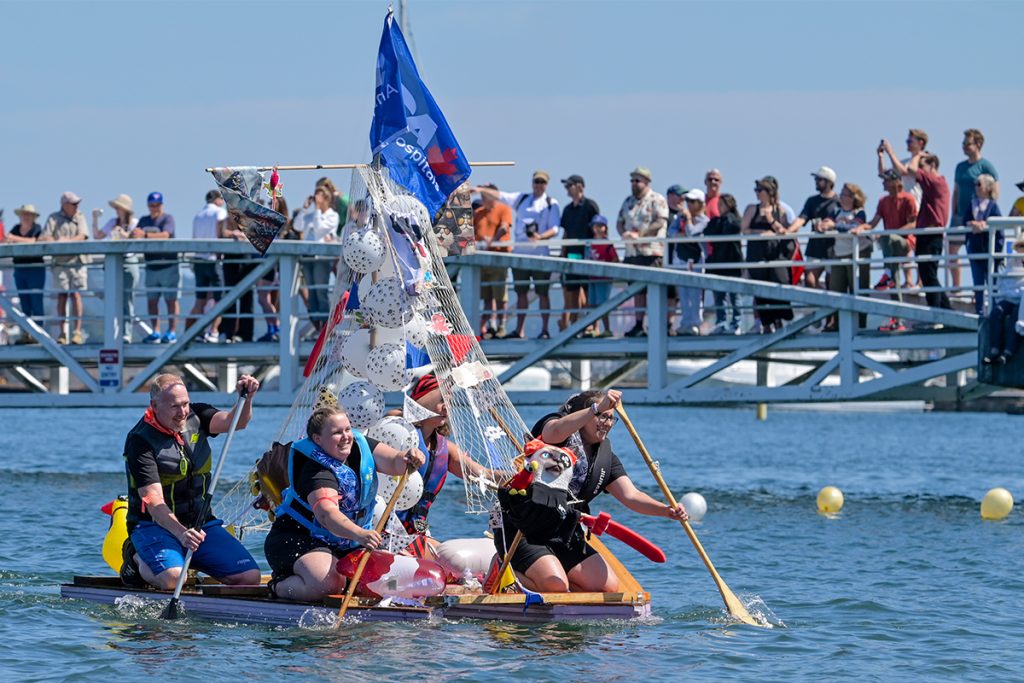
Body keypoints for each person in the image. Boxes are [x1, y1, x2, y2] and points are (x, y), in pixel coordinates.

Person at [491, 390, 686, 593]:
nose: (607, 423)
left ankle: (553, 576)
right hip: (523, 529)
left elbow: (631, 496)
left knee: (607, 587)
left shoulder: (606, 459)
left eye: (611, 418)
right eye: (602, 416)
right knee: (554, 585)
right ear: (584, 413)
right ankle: (504, 571)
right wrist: (596, 408)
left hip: (563, 532)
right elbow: (553, 432)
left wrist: (667, 510)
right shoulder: (557, 430)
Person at [263, 406, 425, 602]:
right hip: (297, 539)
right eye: (337, 433)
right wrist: (360, 534)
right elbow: (327, 515)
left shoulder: (360, 444)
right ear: (317, 440)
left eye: (347, 429)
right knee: (329, 584)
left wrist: (408, 457)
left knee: (387, 579)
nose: (346, 436)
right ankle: (278, 586)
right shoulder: (314, 470)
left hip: (347, 541)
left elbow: (394, 463)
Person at [120, 373, 263, 590]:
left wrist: (247, 397)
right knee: (173, 580)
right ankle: (135, 557)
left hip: (200, 524)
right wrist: (181, 533)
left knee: (249, 577)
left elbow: (237, 422)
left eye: (185, 404)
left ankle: (186, 557)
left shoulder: (198, 415)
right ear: (155, 406)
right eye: (174, 406)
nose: (182, 412)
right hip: (153, 526)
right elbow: (153, 500)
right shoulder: (140, 440)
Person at [395, 374, 502, 555]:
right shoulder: (399, 428)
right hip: (386, 531)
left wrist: (523, 473)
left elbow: (484, 474)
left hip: (416, 532)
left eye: (449, 401)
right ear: (422, 400)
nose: (447, 407)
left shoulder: (446, 448)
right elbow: (397, 415)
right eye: (442, 400)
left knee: (452, 563)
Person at [473, 172, 561, 339]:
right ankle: (519, 330)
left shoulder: (551, 203)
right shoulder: (522, 199)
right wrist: (478, 189)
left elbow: (555, 228)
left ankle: (544, 330)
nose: (539, 185)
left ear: (547, 184)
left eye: (542, 182)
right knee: (521, 293)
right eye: (536, 181)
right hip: (520, 254)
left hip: (540, 255)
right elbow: (500, 195)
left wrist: (541, 237)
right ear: (532, 182)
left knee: (542, 292)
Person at [862, 170, 918, 332]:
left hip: (904, 242)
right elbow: (872, 223)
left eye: (886, 181)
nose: (883, 184)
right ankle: (896, 320)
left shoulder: (908, 199)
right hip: (890, 247)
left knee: (887, 238)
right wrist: (859, 227)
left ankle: (887, 273)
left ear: (895, 182)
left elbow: (913, 225)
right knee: (895, 278)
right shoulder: (883, 201)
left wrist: (892, 233)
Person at [617, 167, 669, 337]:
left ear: (646, 182)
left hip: (651, 252)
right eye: (632, 181)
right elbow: (620, 221)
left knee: (652, 290)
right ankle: (639, 324)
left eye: (637, 181)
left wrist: (640, 235)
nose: (634, 184)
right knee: (636, 290)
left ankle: (655, 324)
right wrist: (623, 233)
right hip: (632, 253)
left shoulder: (657, 199)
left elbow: (660, 222)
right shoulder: (627, 201)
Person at [742, 176, 794, 333]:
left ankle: (779, 320)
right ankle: (766, 324)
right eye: (756, 190)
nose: (757, 193)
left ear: (769, 192)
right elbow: (744, 229)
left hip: (775, 253)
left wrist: (771, 221)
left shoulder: (781, 210)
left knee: (779, 283)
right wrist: (760, 232)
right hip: (757, 253)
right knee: (761, 289)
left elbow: (785, 231)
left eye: (760, 190)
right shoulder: (752, 209)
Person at [950, 129, 1000, 291]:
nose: (964, 147)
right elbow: (956, 191)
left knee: (980, 253)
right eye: (963, 144)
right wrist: (954, 213)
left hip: (979, 217)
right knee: (952, 249)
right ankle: (956, 287)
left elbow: (995, 191)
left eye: (967, 143)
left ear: (978, 145)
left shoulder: (985, 166)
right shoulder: (960, 167)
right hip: (961, 215)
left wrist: (986, 215)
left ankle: (981, 290)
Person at [39, 191, 90, 344]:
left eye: (77, 204)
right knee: (62, 296)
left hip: (76, 262)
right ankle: (62, 333)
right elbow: (44, 237)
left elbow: (83, 236)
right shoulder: (54, 218)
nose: (77, 206)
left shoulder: (80, 217)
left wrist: (66, 241)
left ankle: (77, 332)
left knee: (76, 295)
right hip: (60, 263)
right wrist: (57, 241)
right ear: (65, 205)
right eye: (74, 204)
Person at [92, 194, 141, 343]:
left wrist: (123, 234)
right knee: (113, 299)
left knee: (127, 299)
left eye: (118, 208)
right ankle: (114, 332)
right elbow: (98, 236)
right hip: (114, 262)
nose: (116, 211)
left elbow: (136, 240)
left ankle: (127, 333)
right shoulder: (113, 222)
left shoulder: (135, 223)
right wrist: (95, 219)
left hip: (129, 261)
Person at [908, 152, 953, 314]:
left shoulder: (934, 181)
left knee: (929, 275)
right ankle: (946, 310)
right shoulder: (936, 182)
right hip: (929, 234)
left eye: (923, 166)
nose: (920, 169)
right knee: (929, 275)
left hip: (930, 234)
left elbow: (910, 169)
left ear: (932, 165)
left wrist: (917, 154)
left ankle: (937, 312)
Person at [822, 183, 871, 329]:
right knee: (836, 288)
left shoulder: (859, 212)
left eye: (845, 194)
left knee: (858, 288)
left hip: (858, 252)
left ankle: (860, 325)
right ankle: (838, 324)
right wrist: (824, 225)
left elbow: (854, 227)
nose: (841, 197)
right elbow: (826, 223)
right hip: (840, 253)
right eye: (841, 194)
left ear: (853, 197)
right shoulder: (836, 212)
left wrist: (835, 226)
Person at [134, 192, 179, 344]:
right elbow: (135, 233)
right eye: (152, 205)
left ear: (162, 205)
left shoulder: (168, 218)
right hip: (151, 265)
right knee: (152, 301)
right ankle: (156, 331)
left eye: (157, 205)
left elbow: (166, 234)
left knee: (170, 300)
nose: (154, 208)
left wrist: (145, 235)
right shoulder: (143, 219)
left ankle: (172, 331)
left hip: (168, 264)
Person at [786, 166, 841, 290]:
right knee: (810, 281)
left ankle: (830, 308)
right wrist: (788, 231)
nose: (816, 182)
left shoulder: (839, 201)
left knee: (832, 284)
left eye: (819, 179)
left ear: (829, 182)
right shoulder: (812, 201)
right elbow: (802, 218)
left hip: (833, 247)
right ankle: (823, 306)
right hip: (815, 247)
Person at [558, 174, 600, 333]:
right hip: (571, 255)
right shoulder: (567, 209)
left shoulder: (590, 206)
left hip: (588, 254)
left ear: (580, 186)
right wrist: (563, 253)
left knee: (588, 291)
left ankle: (591, 325)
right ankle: (575, 325)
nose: (567, 189)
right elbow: (566, 233)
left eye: (570, 185)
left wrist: (596, 253)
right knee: (572, 291)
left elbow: (597, 229)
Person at [295, 185, 340, 335]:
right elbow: (297, 225)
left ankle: (326, 328)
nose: (316, 199)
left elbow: (320, 228)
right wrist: (304, 209)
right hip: (307, 257)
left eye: (319, 196)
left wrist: (319, 211)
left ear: (326, 198)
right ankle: (317, 326)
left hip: (321, 257)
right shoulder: (312, 214)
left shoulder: (332, 215)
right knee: (312, 294)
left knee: (320, 292)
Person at [472, 184, 512, 338]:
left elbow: (504, 227)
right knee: (487, 296)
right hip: (482, 261)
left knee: (500, 295)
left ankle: (502, 326)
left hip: (497, 259)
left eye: (485, 195)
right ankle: (491, 326)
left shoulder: (503, 209)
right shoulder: (478, 213)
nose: (482, 199)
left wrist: (492, 241)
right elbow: (472, 232)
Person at [187, 190, 227, 343]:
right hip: (213, 259)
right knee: (219, 299)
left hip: (198, 259)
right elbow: (221, 233)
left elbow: (194, 237)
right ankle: (214, 331)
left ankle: (198, 331)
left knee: (200, 299)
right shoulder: (220, 213)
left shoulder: (198, 215)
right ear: (216, 200)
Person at [704, 194, 743, 334]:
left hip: (732, 261)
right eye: (718, 205)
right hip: (718, 261)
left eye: (722, 205)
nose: (719, 208)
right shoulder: (716, 221)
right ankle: (721, 322)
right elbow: (708, 232)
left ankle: (736, 323)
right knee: (719, 296)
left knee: (735, 296)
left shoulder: (735, 220)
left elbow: (732, 229)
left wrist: (725, 220)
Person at [5, 204, 45, 342]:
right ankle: (26, 333)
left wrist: (14, 239)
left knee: (36, 301)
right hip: (20, 268)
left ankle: (38, 332)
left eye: (28, 214)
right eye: (23, 214)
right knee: (25, 302)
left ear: (33, 217)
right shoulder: (16, 228)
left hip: (35, 269)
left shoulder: (37, 229)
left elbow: (34, 241)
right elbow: (6, 239)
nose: (25, 217)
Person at [964, 173, 1003, 315]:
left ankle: (994, 310)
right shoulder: (972, 205)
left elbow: (999, 228)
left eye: (979, 184)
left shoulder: (993, 207)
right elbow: (965, 220)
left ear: (987, 188)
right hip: (976, 250)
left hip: (989, 250)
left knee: (993, 282)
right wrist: (972, 224)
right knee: (978, 283)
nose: (976, 187)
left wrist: (985, 225)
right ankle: (980, 310)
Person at [983, 237, 1024, 365]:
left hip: (1022, 300)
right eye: (1020, 246)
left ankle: (1008, 352)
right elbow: (1003, 283)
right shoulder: (1010, 262)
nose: (1022, 249)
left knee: (1016, 318)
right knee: (996, 312)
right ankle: (994, 349)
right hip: (1010, 298)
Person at [674, 188, 708, 336]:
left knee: (695, 293)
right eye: (688, 201)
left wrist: (687, 221)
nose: (689, 204)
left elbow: (692, 234)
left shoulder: (705, 221)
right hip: (681, 258)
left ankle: (695, 322)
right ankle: (685, 321)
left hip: (696, 259)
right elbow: (671, 233)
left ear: (700, 203)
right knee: (683, 292)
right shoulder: (679, 218)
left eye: (693, 201)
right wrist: (683, 226)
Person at [256, 195, 287, 343]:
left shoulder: (279, 222)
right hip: (267, 262)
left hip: (272, 264)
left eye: (271, 203)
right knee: (264, 299)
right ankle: (272, 328)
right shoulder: (269, 221)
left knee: (263, 298)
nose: (269, 206)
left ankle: (275, 327)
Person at [585, 215, 619, 337]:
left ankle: (607, 328)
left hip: (604, 278)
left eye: (600, 226)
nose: (597, 229)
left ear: (605, 227)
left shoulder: (607, 244)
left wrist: (607, 267)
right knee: (592, 303)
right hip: (592, 277)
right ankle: (595, 328)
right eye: (595, 226)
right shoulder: (589, 243)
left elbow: (615, 259)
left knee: (603, 304)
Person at [879, 129, 928, 205]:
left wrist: (890, 152)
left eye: (910, 141)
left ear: (920, 143)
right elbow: (885, 174)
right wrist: (881, 157)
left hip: (917, 205)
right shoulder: (905, 162)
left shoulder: (924, 160)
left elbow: (904, 172)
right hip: (904, 206)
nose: (907, 144)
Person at [664, 184, 687, 332]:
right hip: (665, 257)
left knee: (675, 294)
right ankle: (663, 323)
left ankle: (670, 323)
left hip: (679, 257)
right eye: (679, 195)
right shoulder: (664, 214)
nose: (682, 199)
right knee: (667, 292)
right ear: (670, 196)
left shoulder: (683, 215)